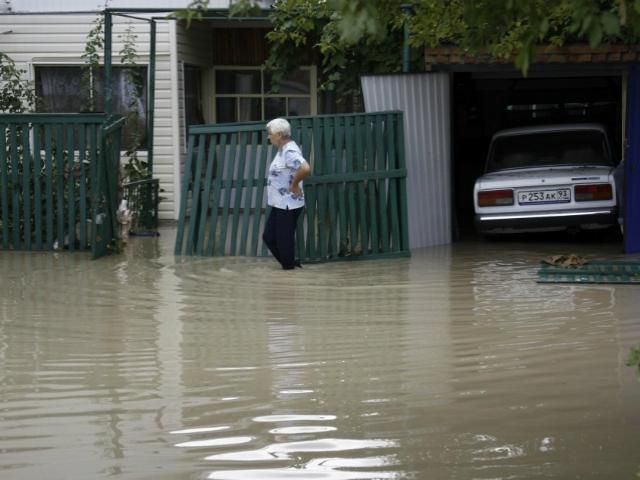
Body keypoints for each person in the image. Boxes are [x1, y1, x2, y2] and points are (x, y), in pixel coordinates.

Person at [262, 118, 311, 270]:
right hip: (280, 203)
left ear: (279, 134)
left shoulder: (289, 150)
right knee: (269, 237)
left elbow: (305, 168)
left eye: (270, 134)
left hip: (288, 205)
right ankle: (290, 264)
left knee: (283, 241)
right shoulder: (283, 150)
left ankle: (289, 273)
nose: (268, 137)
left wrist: (295, 184)